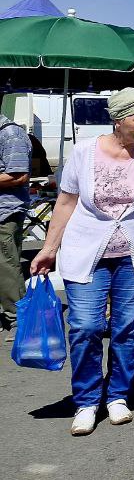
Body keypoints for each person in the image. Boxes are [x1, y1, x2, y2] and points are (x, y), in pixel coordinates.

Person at [30, 88, 134, 435]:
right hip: (86, 251)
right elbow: (66, 203)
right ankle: (86, 400)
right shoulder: (84, 152)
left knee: (127, 328)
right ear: (118, 118)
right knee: (85, 326)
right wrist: (48, 248)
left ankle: (117, 396)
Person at [0, 101, 33, 340]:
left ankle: (20, 321)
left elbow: (18, 175)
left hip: (5, 211)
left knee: (6, 267)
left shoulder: (10, 134)